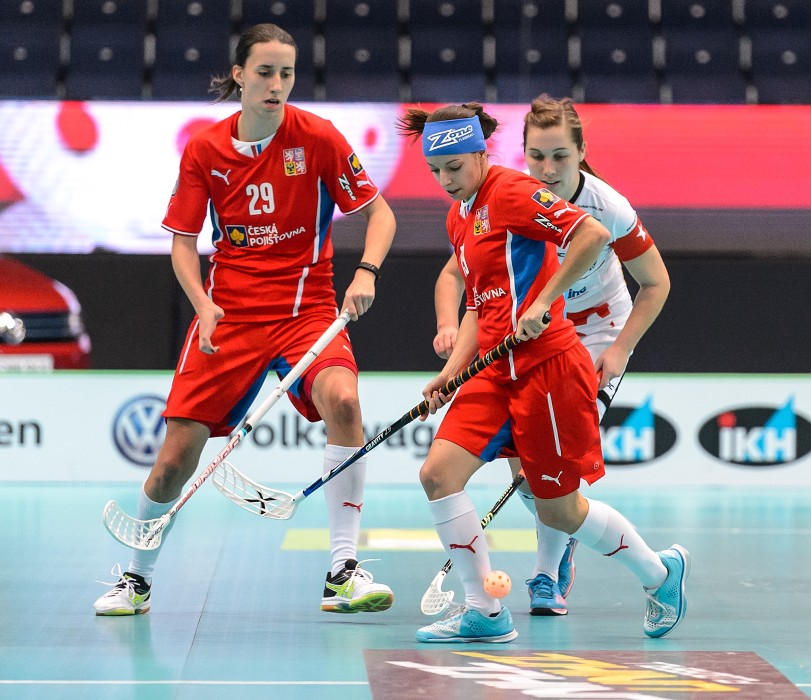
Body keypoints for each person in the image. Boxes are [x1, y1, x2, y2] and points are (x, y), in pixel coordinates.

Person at [94, 23, 396, 616]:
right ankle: (135, 579)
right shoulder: (205, 149)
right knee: (174, 460)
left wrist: (368, 272)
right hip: (229, 315)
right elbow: (182, 243)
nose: (277, 84)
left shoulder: (319, 138)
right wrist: (203, 303)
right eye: (265, 72)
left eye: (286, 73)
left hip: (306, 310)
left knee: (346, 403)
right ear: (238, 74)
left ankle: (343, 570)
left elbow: (379, 214)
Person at [397, 103, 688, 644]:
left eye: (455, 167)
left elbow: (592, 235)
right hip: (493, 369)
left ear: (481, 155)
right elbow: (478, 306)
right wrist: (452, 372)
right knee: (438, 474)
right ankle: (485, 611)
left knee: (558, 510)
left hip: (550, 366)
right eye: (436, 171)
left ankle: (660, 573)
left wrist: (543, 302)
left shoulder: (510, 192)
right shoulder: (459, 215)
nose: (446, 181)